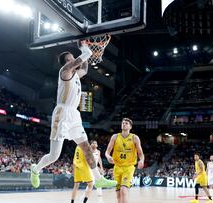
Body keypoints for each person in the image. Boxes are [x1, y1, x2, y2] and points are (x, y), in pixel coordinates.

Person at [30, 41, 116, 189]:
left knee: (87, 147)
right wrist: (85, 51)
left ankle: (99, 179)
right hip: (62, 113)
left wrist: (85, 49)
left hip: (74, 115)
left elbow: (85, 68)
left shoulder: (76, 74)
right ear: (65, 63)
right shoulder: (64, 72)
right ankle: (35, 169)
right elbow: (79, 61)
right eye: (69, 59)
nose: (73, 60)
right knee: (54, 155)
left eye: (72, 58)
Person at [105, 118, 144, 203]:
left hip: (128, 168)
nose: (124, 124)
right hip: (117, 167)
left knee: (124, 189)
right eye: (123, 123)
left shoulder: (135, 138)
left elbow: (141, 154)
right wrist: (108, 157)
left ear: (130, 126)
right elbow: (107, 152)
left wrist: (141, 160)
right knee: (118, 194)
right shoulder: (115, 137)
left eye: (126, 123)